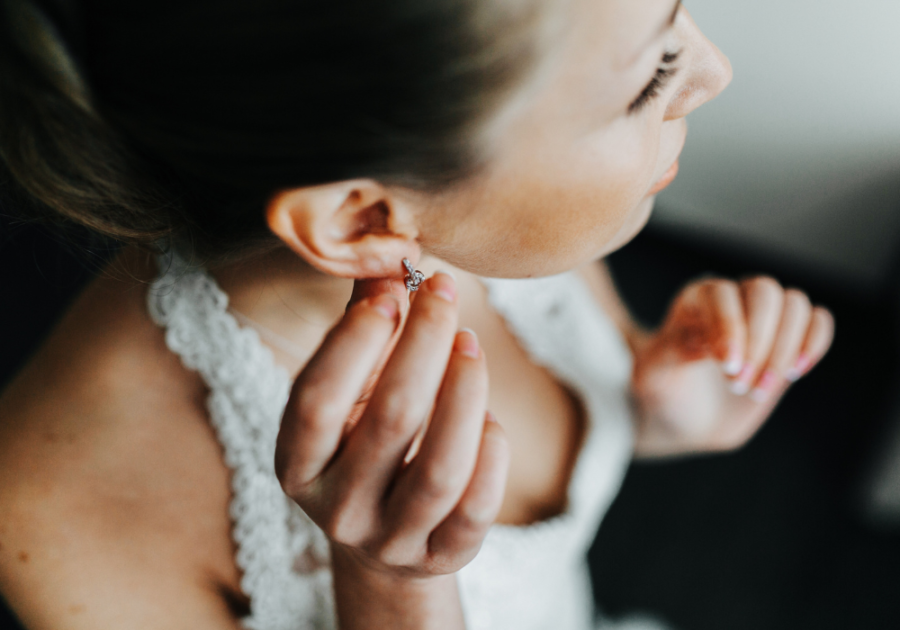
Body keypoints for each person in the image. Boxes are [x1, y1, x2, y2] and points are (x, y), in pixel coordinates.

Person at [0, 0, 835, 628]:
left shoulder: (489, 214)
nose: (713, 71)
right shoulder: (52, 521)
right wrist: (392, 588)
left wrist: (653, 402)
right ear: (362, 220)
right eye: (651, 76)